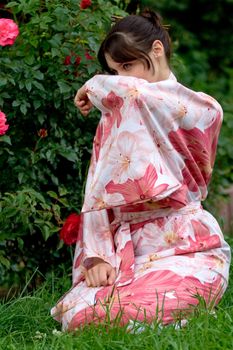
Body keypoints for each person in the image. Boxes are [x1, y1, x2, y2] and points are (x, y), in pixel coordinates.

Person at [51, 9, 231, 331]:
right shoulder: (117, 115)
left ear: (157, 51)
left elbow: (140, 94)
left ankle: (179, 312)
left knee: (146, 304)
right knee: (77, 315)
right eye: (113, 71)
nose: (121, 78)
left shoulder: (204, 109)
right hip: (132, 250)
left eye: (127, 65)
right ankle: (172, 319)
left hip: (190, 247)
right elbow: (96, 190)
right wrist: (97, 256)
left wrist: (94, 85)